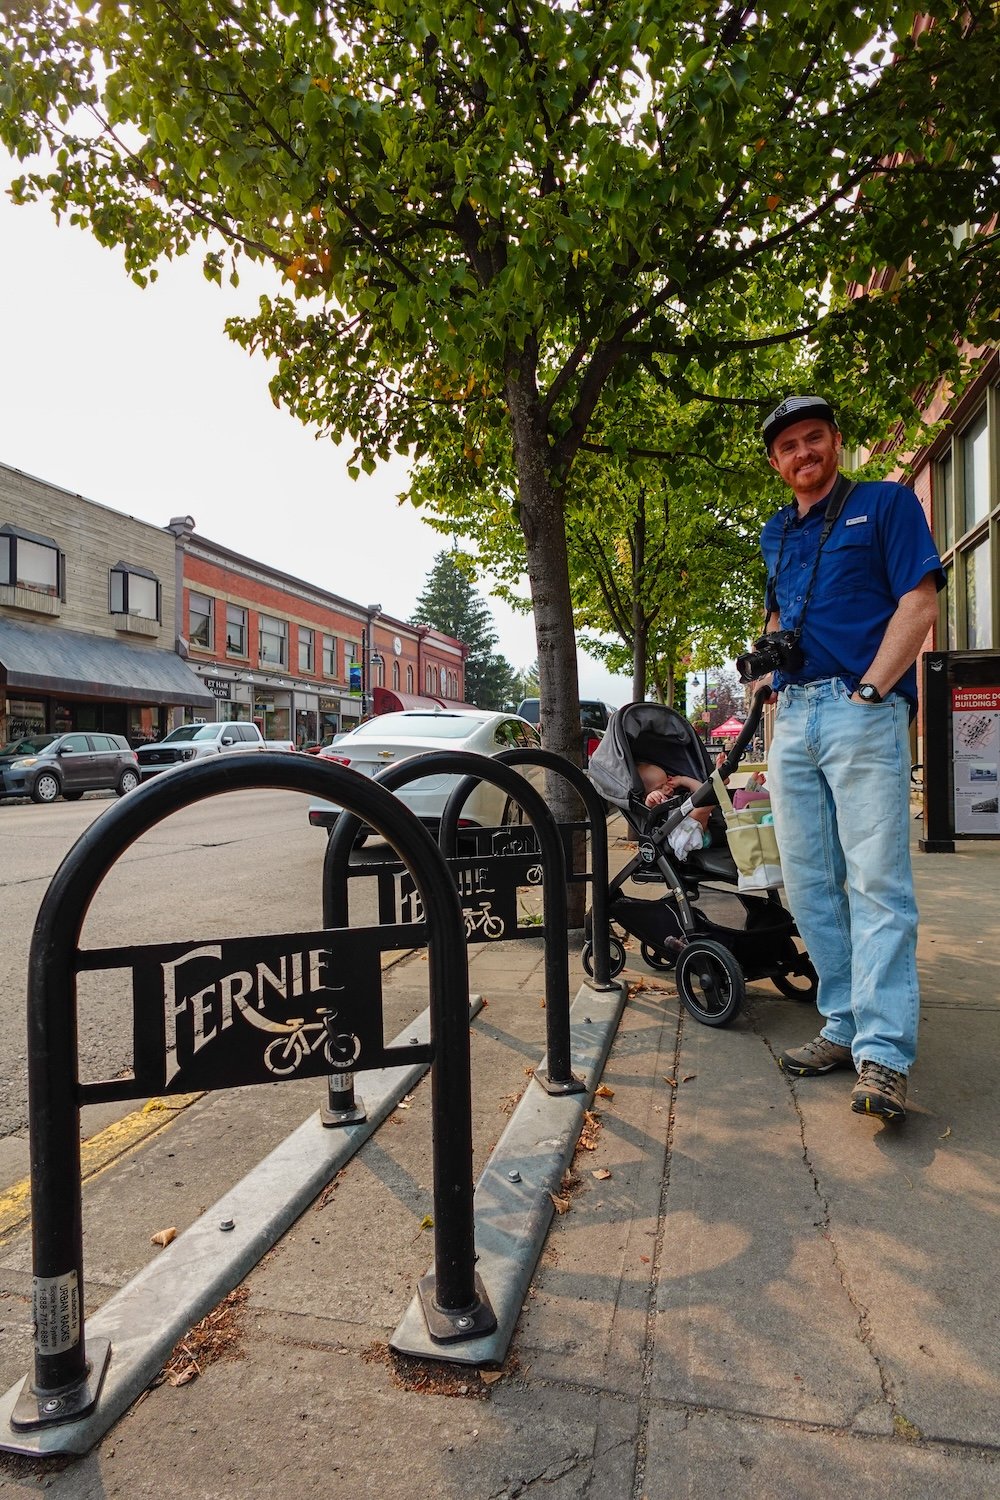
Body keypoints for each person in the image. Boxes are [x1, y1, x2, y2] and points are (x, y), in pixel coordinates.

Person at [751, 395, 943, 1122]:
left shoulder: (886, 505)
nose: (804, 454)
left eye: (814, 439)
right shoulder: (776, 531)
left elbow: (918, 604)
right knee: (809, 885)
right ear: (776, 464)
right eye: (789, 448)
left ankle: (886, 1055)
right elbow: (778, 613)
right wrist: (768, 674)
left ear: (836, 441)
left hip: (860, 711)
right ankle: (844, 1023)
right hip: (793, 721)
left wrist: (870, 691)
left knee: (877, 884)